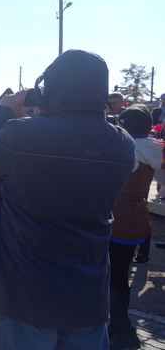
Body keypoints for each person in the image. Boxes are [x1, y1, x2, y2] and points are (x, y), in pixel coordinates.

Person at [0, 50, 135, 349]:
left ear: (52, 87)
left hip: (24, 289)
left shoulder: (24, 134)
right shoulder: (122, 143)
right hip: (88, 291)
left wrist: (3, 111)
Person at [109, 107, 162, 349]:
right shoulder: (150, 148)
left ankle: (124, 330)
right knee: (121, 277)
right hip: (136, 218)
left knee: (110, 277)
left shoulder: (129, 151)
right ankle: (116, 326)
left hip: (118, 220)